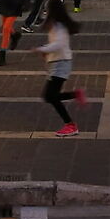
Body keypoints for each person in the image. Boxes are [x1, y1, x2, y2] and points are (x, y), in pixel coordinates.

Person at [37, 7, 83, 137]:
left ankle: (70, 125)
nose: (45, 12)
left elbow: (58, 45)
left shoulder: (60, 28)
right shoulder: (56, 26)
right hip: (57, 64)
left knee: (50, 96)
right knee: (49, 96)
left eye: (47, 10)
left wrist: (42, 49)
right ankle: (76, 94)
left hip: (61, 65)